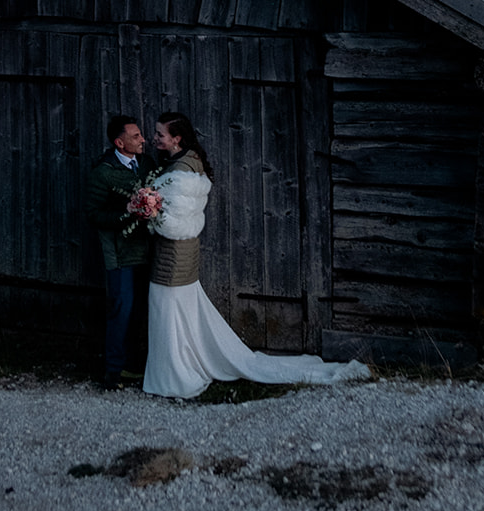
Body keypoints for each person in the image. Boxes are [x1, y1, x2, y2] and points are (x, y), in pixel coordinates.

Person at [143, 110, 370, 399]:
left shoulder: (182, 172)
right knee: (176, 313)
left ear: (176, 138)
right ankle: (184, 364)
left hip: (173, 256)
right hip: (177, 254)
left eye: (160, 134)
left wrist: (147, 212)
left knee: (168, 312)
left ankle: (176, 376)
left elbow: (174, 223)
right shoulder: (182, 163)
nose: (155, 138)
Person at [83, 115, 157, 390]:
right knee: (120, 310)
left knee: (139, 312)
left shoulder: (146, 164)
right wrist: (126, 212)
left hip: (144, 251)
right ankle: (113, 372)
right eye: (136, 136)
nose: (143, 140)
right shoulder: (103, 172)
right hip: (119, 254)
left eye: (141, 135)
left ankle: (134, 365)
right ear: (119, 142)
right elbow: (93, 214)